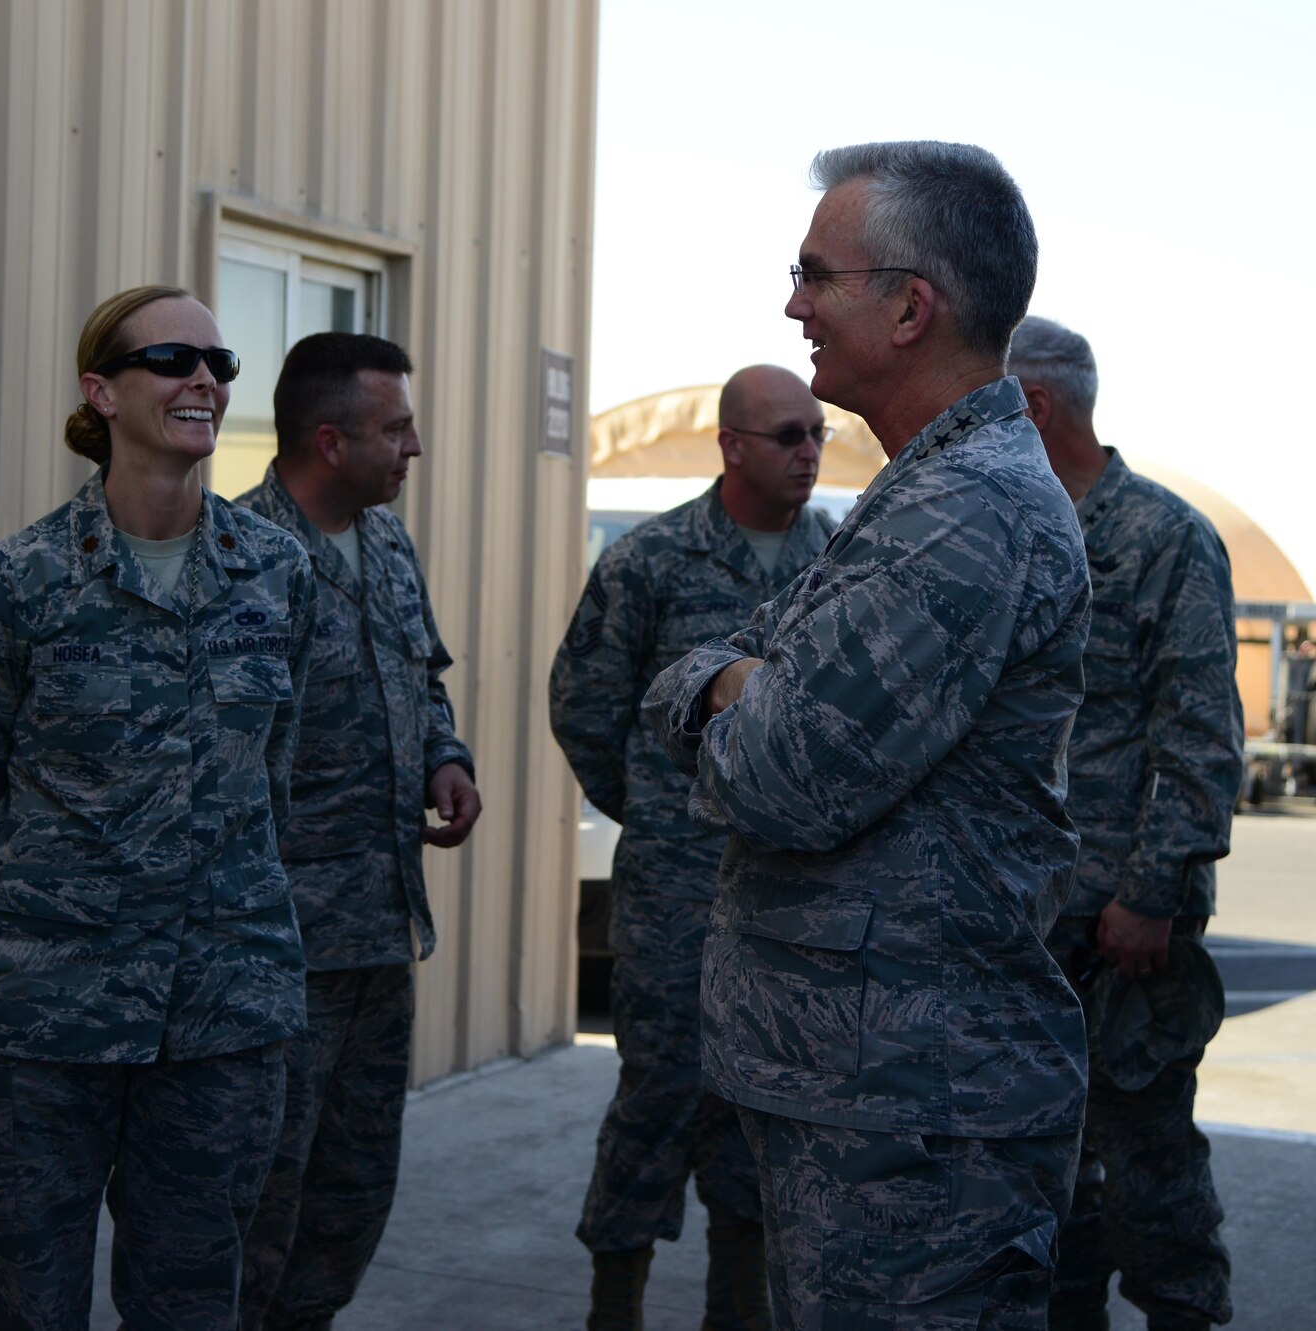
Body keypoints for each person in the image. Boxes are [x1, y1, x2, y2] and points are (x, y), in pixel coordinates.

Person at [641, 142, 1092, 1330]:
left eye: (812, 274)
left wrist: (729, 690)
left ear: (908, 306)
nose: (790, 304)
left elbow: (780, 775)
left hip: (911, 1108)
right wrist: (735, 681)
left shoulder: (964, 514)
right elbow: (696, 673)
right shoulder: (911, 496)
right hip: (861, 1086)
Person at [0, 285, 316, 1330]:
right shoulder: (11, 585)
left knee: (191, 1299)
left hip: (221, 1014)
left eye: (219, 362)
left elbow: (268, 780)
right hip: (40, 1017)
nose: (203, 377)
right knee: (28, 1300)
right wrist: (62, 922)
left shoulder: (277, 574)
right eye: (171, 359)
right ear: (99, 391)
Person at [550, 364, 836, 1331]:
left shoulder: (838, 562)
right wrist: (661, 812)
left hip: (792, 894)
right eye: (787, 436)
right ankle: (612, 1304)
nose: (808, 453)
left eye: (816, 436)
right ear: (731, 446)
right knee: (657, 1097)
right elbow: (585, 703)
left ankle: (737, 1311)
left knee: (766, 1112)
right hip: (674, 892)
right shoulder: (654, 559)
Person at [234, 333, 482, 1331]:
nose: (413, 446)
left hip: (380, 936)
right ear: (328, 442)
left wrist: (443, 757)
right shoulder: (242, 556)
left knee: (348, 1196)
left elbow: (420, 678)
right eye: (396, 427)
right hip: (276, 955)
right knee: (252, 1204)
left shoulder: (385, 542)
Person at [1009, 316, 1242, 1331]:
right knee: (1042, 1185)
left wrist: (1148, 896)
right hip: (1027, 925)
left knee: (1147, 1169)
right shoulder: (1010, 532)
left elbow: (1198, 736)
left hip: (1123, 932)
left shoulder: (1163, 538)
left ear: (1031, 406)